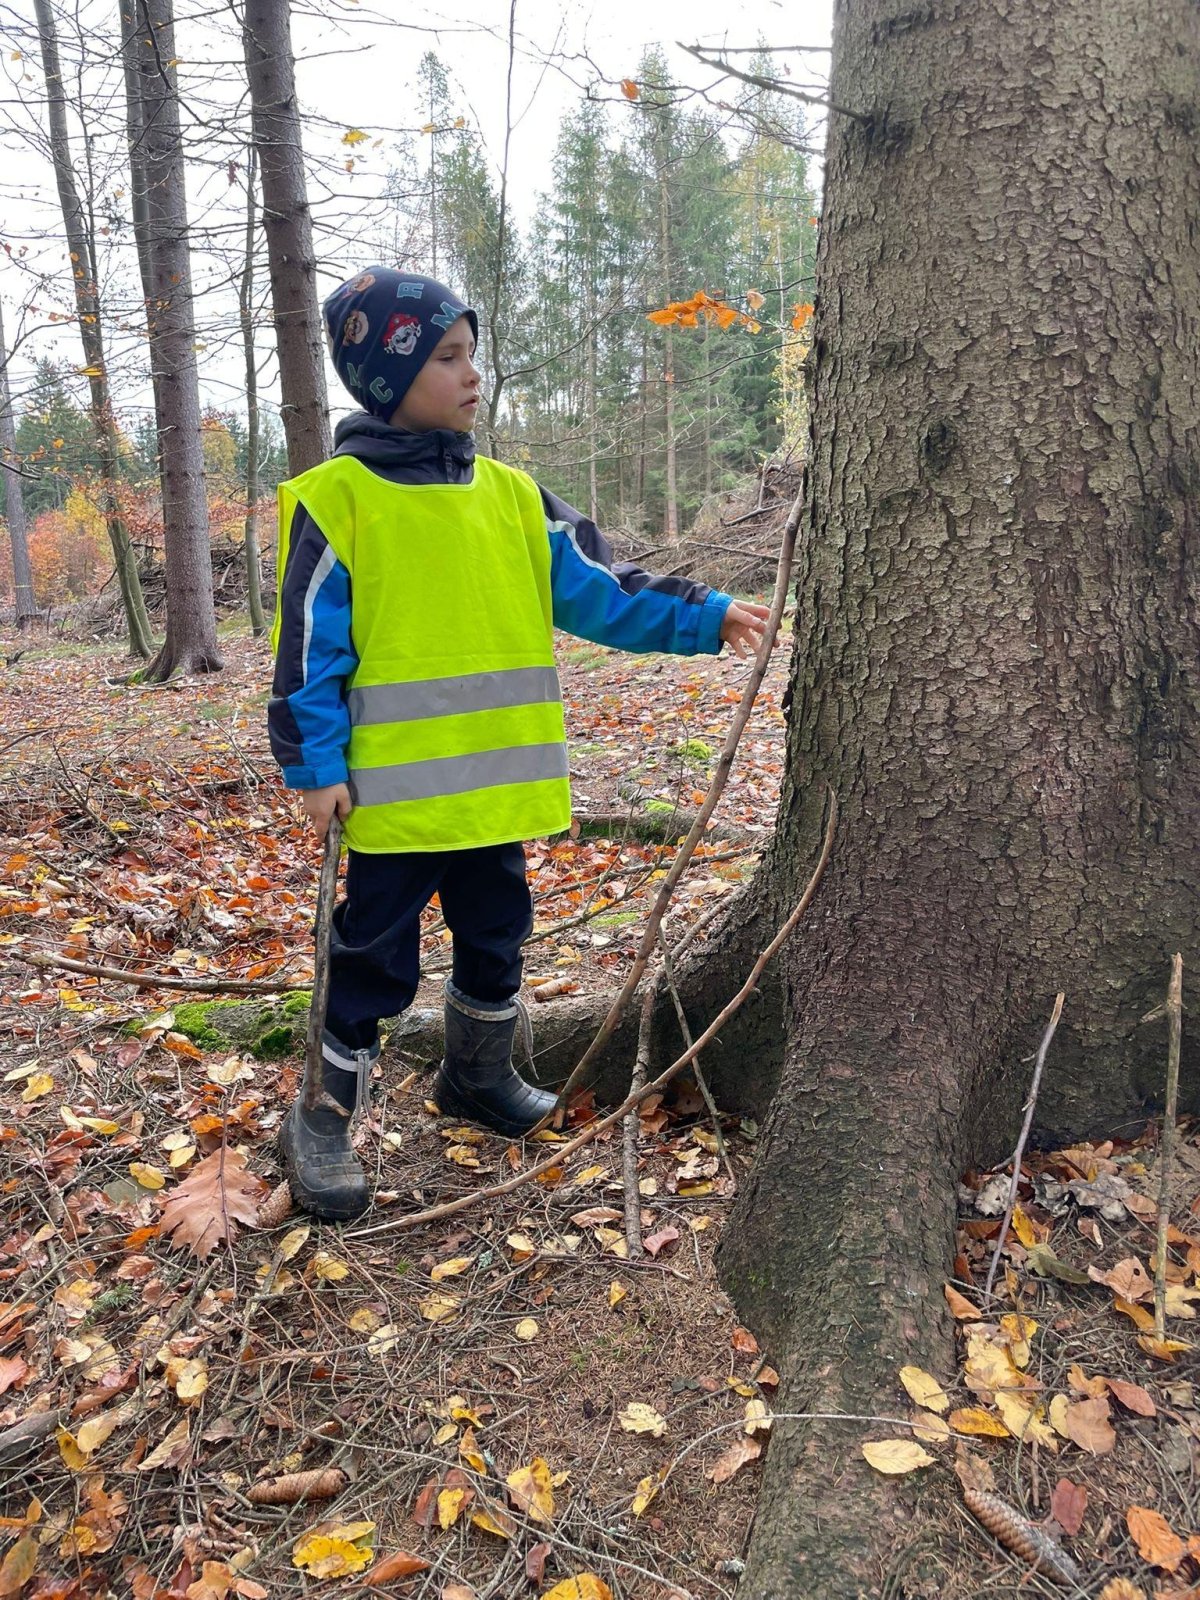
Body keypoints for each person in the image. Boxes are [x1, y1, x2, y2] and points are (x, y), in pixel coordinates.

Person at [268, 268, 769, 1221]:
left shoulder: (511, 497)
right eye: (446, 358)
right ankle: (324, 1117)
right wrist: (314, 765)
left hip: (496, 792)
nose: (471, 375)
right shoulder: (339, 500)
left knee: (497, 936)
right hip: (394, 804)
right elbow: (306, 653)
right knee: (372, 961)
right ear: (387, 377)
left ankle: (476, 1077)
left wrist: (703, 614)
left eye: (472, 354)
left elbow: (602, 586)